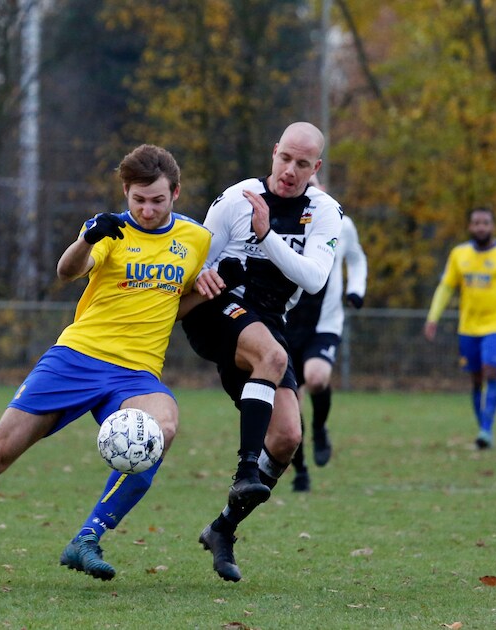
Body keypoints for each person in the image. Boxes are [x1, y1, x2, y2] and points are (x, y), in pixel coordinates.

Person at [0, 144, 211, 585]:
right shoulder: (110, 230)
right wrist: (86, 238)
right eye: (138, 200)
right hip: (76, 360)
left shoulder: (196, 240)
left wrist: (205, 291)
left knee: (161, 430)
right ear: (125, 193)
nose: (147, 210)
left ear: (176, 193)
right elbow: (67, 271)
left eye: (157, 200)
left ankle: (88, 537)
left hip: (135, 375)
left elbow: (173, 303)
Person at [180, 121, 341, 582]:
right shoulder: (236, 199)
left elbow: (314, 279)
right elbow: (197, 262)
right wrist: (200, 274)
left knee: (288, 437)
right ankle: (245, 469)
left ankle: (222, 528)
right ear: (274, 152)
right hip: (217, 312)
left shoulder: (324, 211)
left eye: (302, 163)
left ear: (316, 167)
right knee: (273, 357)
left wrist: (267, 235)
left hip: (268, 324)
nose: (290, 170)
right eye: (285, 158)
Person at [423, 207, 496, 451]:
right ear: (470, 227)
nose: (481, 227)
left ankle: (486, 430)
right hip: (469, 326)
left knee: (491, 371)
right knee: (476, 379)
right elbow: (446, 287)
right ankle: (483, 427)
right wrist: (432, 318)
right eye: (476, 223)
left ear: (493, 226)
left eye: (485, 222)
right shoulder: (459, 254)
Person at [286, 174, 368, 492]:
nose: (308, 188)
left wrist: (356, 289)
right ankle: (300, 470)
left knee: (317, 377)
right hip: (285, 324)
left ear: (322, 188)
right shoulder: (279, 223)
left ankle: (320, 427)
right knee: (289, 406)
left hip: (325, 323)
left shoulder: (341, 224)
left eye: (313, 182)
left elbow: (357, 259)